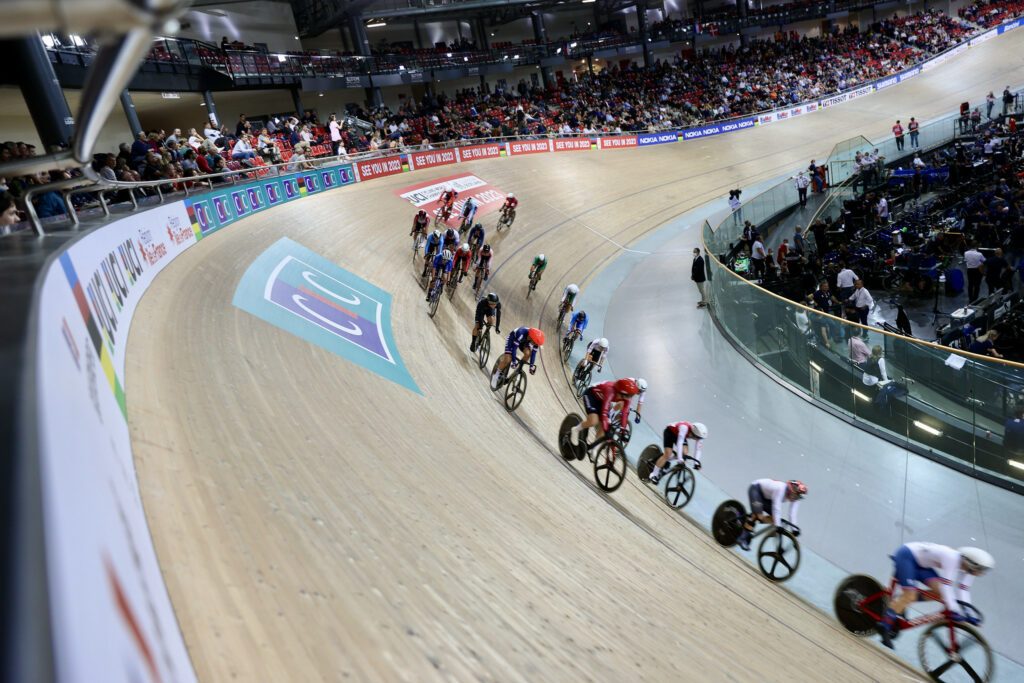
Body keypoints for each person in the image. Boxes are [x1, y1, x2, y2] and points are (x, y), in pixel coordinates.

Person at [876, 544, 994, 649]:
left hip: (920, 564)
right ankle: (884, 625)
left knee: (940, 594)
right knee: (910, 595)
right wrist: (954, 609)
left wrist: (968, 612)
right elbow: (947, 586)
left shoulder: (969, 570)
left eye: (984, 570)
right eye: (981, 569)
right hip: (906, 556)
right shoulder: (952, 558)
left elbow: (963, 590)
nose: (981, 573)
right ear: (971, 564)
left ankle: (901, 601)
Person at [569, 378, 641, 447]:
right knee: (594, 421)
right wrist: (606, 429)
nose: (631, 397)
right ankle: (575, 430)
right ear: (622, 393)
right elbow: (604, 411)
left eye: (632, 395)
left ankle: (594, 448)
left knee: (607, 426)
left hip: (602, 400)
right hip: (591, 395)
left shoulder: (626, 398)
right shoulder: (610, 391)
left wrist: (623, 431)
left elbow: (624, 414)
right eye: (630, 395)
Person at [737, 479, 806, 551]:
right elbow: (776, 508)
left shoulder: (796, 498)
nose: (795, 498)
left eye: (797, 496)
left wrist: (794, 530)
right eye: (795, 495)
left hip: (767, 498)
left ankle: (750, 521)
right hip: (756, 489)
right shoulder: (780, 488)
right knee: (758, 515)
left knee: (774, 519)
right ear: (791, 489)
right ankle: (742, 537)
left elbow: (792, 514)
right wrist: (778, 526)